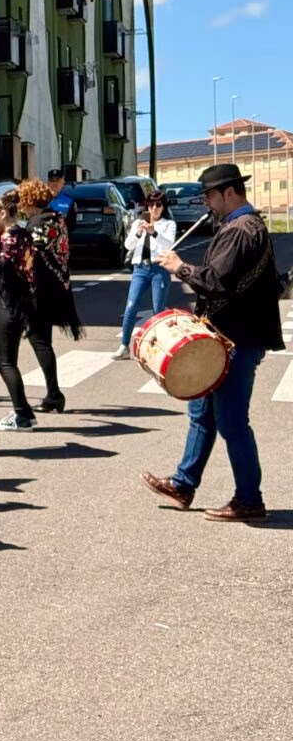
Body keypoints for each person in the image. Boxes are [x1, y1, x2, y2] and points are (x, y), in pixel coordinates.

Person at [143, 164, 283, 522]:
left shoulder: (241, 229)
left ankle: (249, 499)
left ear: (229, 193)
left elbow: (216, 281)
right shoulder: (239, 226)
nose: (206, 202)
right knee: (201, 414)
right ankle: (183, 484)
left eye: (209, 195)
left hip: (237, 339)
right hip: (224, 338)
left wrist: (179, 267)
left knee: (233, 422)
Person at [0, 182, 81, 431]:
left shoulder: (36, 224)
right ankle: (53, 394)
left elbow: (24, 260)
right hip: (52, 288)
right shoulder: (57, 218)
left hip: (37, 292)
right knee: (41, 342)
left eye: (23, 200)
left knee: (35, 344)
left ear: (28, 201)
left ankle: (48, 398)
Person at [113, 190, 176, 360]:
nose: (154, 208)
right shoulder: (138, 223)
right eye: (150, 204)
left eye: (158, 205)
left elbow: (169, 244)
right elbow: (128, 244)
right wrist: (139, 232)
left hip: (159, 268)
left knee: (158, 310)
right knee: (131, 307)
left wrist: (153, 231)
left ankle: (158, 347)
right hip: (140, 268)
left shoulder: (168, 224)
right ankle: (124, 345)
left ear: (163, 207)